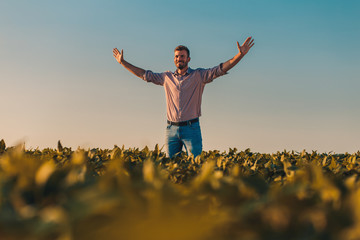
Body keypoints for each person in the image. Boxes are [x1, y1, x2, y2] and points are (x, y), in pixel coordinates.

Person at [113, 37, 254, 158]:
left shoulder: (198, 76)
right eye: (176, 56)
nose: (179, 59)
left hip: (191, 129)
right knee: (171, 169)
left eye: (182, 56)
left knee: (195, 167)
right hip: (171, 130)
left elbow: (221, 69)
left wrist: (239, 55)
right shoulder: (166, 77)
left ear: (188, 59)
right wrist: (123, 62)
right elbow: (145, 75)